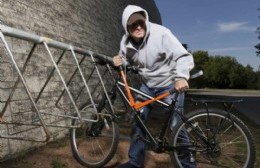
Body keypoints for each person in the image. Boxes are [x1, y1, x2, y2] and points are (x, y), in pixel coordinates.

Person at [113, 5, 195, 168]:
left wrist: (181, 77)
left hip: (170, 84)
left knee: (175, 125)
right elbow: (128, 59)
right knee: (138, 120)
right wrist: (119, 61)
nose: (138, 26)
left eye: (140, 22)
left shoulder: (161, 33)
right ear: (126, 27)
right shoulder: (125, 42)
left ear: (145, 21)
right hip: (148, 86)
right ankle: (135, 162)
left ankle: (187, 164)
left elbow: (183, 56)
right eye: (132, 24)